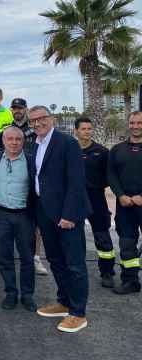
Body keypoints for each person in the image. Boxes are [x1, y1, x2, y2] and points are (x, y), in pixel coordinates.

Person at [29, 105, 90, 333]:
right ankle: (64, 301)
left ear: (51, 119)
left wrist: (69, 214)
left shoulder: (67, 143)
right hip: (45, 213)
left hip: (66, 215)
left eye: (41, 118)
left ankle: (78, 312)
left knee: (74, 264)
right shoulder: (36, 144)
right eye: (33, 120)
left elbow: (76, 182)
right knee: (55, 260)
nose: (37, 123)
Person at [0, 127, 38, 311]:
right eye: (10, 139)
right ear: (3, 140)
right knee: (4, 257)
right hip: (1, 215)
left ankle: (27, 295)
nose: (14, 142)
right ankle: (10, 292)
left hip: (24, 215)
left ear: (23, 141)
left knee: (27, 257)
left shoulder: (31, 160)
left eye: (18, 139)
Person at [75, 117, 116, 288]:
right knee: (74, 237)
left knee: (102, 236)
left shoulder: (102, 152)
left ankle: (107, 272)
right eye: (83, 129)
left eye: (89, 129)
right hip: (75, 199)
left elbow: (110, 176)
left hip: (96, 198)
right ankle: (76, 270)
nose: (87, 132)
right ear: (76, 131)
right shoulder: (70, 150)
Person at [107, 111, 142, 295]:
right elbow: (111, 174)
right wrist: (120, 195)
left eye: (139, 123)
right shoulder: (118, 149)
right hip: (125, 205)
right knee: (127, 245)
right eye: (132, 122)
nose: (135, 126)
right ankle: (131, 281)